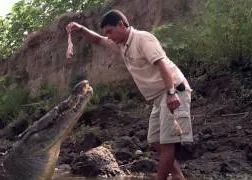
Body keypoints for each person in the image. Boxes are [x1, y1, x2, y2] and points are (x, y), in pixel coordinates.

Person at [66, 9, 193, 180]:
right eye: (107, 33)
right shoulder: (121, 44)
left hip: (173, 91)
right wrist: (80, 28)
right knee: (155, 140)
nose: (109, 36)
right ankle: (177, 175)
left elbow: (163, 65)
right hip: (158, 97)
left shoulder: (142, 38)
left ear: (121, 24)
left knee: (167, 143)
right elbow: (98, 40)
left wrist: (171, 93)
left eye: (110, 31)